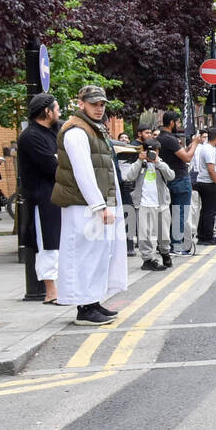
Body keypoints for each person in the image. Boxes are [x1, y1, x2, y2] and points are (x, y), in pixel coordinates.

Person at [50, 85, 129, 325]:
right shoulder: (76, 131)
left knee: (98, 254)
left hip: (96, 204)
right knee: (83, 255)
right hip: (83, 205)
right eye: (94, 104)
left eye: (102, 104)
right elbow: (83, 172)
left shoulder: (94, 129)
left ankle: (92, 301)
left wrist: (110, 203)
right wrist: (99, 205)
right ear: (81, 103)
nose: (99, 108)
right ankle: (84, 308)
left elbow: (105, 170)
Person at [16, 93, 63, 301]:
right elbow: (53, 165)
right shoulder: (30, 136)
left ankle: (60, 288)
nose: (60, 112)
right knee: (47, 243)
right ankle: (50, 292)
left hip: (57, 194)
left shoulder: (54, 131)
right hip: (41, 197)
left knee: (58, 242)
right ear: (47, 111)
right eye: (57, 108)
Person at [124, 137, 176, 270]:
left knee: (164, 234)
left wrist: (158, 162)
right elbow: (129, 177)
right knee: (144, 234)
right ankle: (147, 260)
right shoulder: (140, 164)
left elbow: (171, 176)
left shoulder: (161, 164)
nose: (153, 154)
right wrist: (139, 160)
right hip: (143, 204)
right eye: (150, 151)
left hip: (161, 204)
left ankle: (165, 253)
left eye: (156, 151)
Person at [157, 110, 204, 252]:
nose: (178, 125)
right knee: (180, 213)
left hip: (168, 179)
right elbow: (187, 158)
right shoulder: (170, 139)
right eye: (177, 122)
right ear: (171, 123)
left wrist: (188, 147)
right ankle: (176, 245)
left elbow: (179, 154)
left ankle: (169, 243)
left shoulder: (160, 138)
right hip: (180, 179)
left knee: (171, 213)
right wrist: (195, 144)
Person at [193, 127, 216, 245]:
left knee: (206, 211)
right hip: (209, 183)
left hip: (206, 183)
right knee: (211, 211)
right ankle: (207, 237)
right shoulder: (208, 149)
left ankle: (203, 235)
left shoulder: (209, 148)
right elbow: (211, 169)